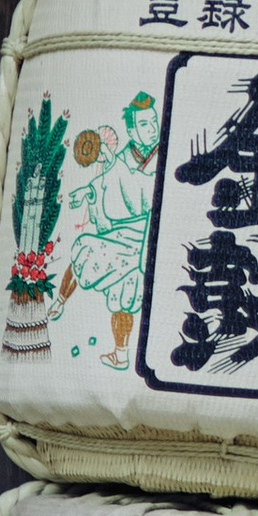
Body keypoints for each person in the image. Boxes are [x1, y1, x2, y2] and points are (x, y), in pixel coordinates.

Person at [59, 92, 160, 369]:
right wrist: (88, 192)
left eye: (153, 122)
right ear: (131, 129)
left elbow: (144, 187)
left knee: (128, 295)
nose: (152, 128)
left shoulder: (163, 153)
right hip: (121, 234)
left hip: (149, 236)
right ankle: (60, 300)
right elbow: (107, 182)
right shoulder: (124, 156)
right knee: (87, 253)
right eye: (144, 124)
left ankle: (123, 353)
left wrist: (113, 166)